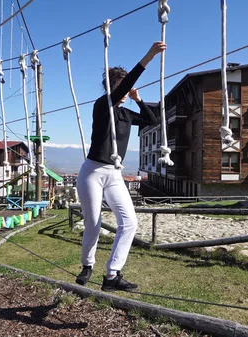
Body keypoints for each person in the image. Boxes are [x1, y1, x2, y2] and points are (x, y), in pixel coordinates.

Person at [75, 41, 165, 292]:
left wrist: (139, 100)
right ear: (112, 87)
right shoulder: (101, 106)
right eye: (122, 86)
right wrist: (148, 57)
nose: (126, 89)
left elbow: (152, 119)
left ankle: (112, 274)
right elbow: (121, 87)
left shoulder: (125, 114)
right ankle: (87, 265)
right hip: (92, 171)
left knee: (129, 223)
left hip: (114, 174)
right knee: (92, 223)